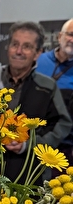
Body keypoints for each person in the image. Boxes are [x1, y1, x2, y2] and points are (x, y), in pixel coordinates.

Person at [0, 21, 72, 185]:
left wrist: (29, 144)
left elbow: (62, 124)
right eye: (15, 44)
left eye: (27, 46)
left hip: (32, 176)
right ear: (7, 47)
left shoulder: (47, 88)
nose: (18, 51)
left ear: (37, 53)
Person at [37, 18, 73, 168]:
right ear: (59, 36)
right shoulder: (38, 61)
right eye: (70, 34)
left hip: (66, 148)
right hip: (35, 143)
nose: (72, 40)